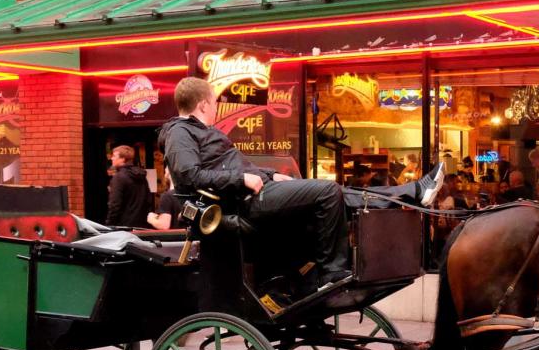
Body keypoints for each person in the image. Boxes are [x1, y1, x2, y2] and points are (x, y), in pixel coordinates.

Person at [160, 77, 443, 289]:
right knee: (328, 191)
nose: (217, 108)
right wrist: (243, 178)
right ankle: (332, 272)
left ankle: (412, 192)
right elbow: (189, 177)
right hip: (243, 204)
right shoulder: (180, 132)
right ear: (203, 104)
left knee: (339, 193)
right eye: (215, 102)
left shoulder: (197, 132)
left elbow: (232, 167)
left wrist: (271, 175)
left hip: (255, 193)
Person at [106, 145, 152, 228]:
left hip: (124, 227)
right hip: (142, 225)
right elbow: (148, 200)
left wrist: (109, 225)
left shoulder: (119, 177)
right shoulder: (142, 177)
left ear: (123, 159)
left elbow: (115, 205)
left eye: (114, 156)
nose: (111, 158)